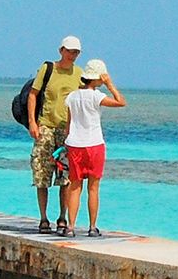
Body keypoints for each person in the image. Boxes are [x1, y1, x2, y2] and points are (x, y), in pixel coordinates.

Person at [26, 36, 87, 234]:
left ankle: (62, 217)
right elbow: (33, 95)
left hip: (67, 131)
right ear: (61, 50)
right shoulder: (47, 69)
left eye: (76, 52)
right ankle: (43, 218)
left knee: (66, 177)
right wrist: (33, 123)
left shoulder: (79, 73)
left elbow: (85, 98)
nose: (72, 55)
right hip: (45, 127)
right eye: (69, 51)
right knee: (41, 174)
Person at [60, 59, 125, 237]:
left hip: (74, 144)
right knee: (93, 187)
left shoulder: (72, 96)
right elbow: (121, 102)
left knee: (74, 186)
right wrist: (110, 84)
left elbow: (69, 122)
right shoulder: (97, 96)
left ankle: (71, 226)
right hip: (94, 144)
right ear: (97, 78)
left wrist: (65, 143)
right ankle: (92, 227)